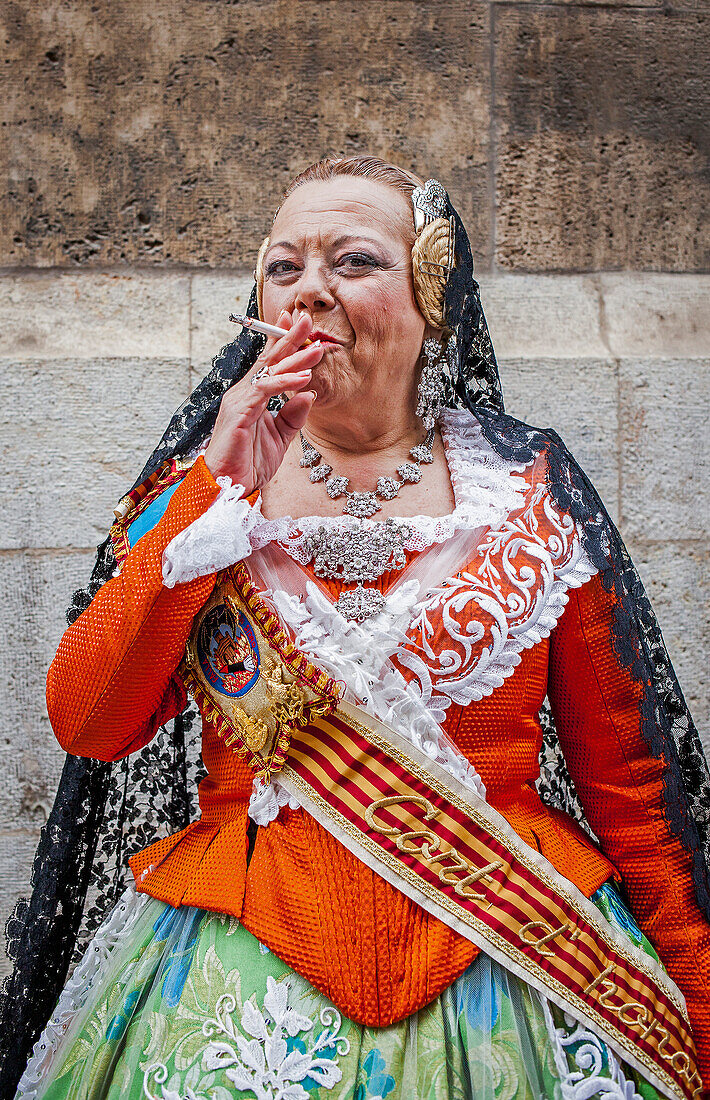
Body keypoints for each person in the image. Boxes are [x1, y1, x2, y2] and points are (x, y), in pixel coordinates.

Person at [2, 157, 708, 1100]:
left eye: (353, 261)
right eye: (283, 266)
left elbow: (632, 784)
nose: (310, 292)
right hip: (234, 971)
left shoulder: (528, 490)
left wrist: (696, 1020)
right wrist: (215, 494)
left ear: (433, 296)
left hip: (516, 957)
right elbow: (88, 723)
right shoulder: (198, 496)